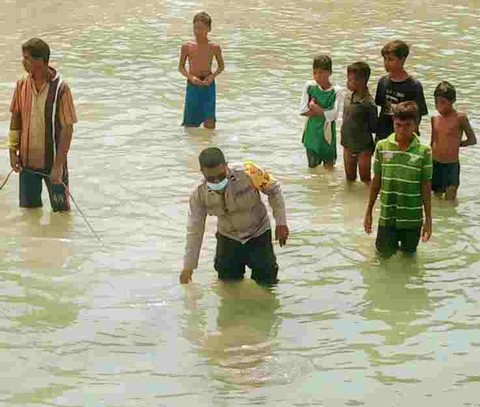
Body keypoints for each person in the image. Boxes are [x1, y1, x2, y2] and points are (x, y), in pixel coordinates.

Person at [180, 147, 289, 285]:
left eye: (220, 176)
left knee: (268, 283)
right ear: (202, 172)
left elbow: (274, 190)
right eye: (211, 178)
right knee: (228, 287)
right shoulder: (198, 194)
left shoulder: (249, 172)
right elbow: (195, 229)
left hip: (258, 233)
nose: (216, 181)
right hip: (228, 237)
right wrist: (188, 267)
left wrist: (281, 222)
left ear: (226, 166)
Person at [7, 38, 77, 212]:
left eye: (27, 58)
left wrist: (59, 166)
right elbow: (16, 118)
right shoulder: (21, 84)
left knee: (61, 214)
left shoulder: (61, 89)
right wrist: (12, 151)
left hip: (53, 164)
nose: (23, 62)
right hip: (26, 164)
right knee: (29, 214)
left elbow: (67, 130)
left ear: (40, 61)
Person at [364, 101, 432, 257]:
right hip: (387, 217)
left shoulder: (425, 151)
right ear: (393, 123)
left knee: (409, 260)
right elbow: (376, 181)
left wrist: (428, 220)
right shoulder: (382, 146)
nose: (402, 130)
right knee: (382, 259)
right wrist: (368, 211)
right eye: (398, 125)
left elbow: (426, 187)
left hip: (412, 219)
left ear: (416, 125)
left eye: (407, 125)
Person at [431, 81, 477, 200]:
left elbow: (472, 140)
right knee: (436, 198)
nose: (439, 105)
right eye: (436, 102)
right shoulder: (434, 119)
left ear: (452, 101)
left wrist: (456, 144)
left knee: (450, 200)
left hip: (451, 166)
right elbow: (433, 142)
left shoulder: (460, 118)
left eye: (442, 102)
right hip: (435, 163)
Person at [178, 12, 225, 129]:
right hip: (193, 84)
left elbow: (221, 66)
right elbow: (181, 67)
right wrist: (191, 78)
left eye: (201, 28)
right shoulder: (187, 46)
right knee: (190, 123)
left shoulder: (214, 47)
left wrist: (212, 77)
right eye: (195, 28)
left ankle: (208, 143)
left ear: (209, 29)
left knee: (210, 122)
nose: (198, 31)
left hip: (208, 84)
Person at [375, 40, 428, 142]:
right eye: (385, 59)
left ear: (402, 60)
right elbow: (380, 108)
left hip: (404, 136)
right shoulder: (383, 82)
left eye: (391, 59)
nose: (386, 63)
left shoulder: (414, 86)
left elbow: (418, 116)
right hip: (384, 136)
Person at [299, 54, 343, 169]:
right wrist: (323, 112)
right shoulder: (309, 87)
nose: (317, 76)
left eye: (321, 72)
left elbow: (334, 115)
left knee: (329, 167)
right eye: (315, 72)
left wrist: (315, 108)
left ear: (329, 72)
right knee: (312, 168)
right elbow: (303, 110)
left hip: (327, 135)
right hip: (311, 133)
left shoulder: (336, 91)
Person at [341, 62, 377, 183]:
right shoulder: (347, 97)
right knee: (349, 178)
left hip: (363, 147)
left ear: (361, 81)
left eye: (350, 80)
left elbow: (373, 127)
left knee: (365, 179)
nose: (347, 82)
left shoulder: (368, 103)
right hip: (347, 143)